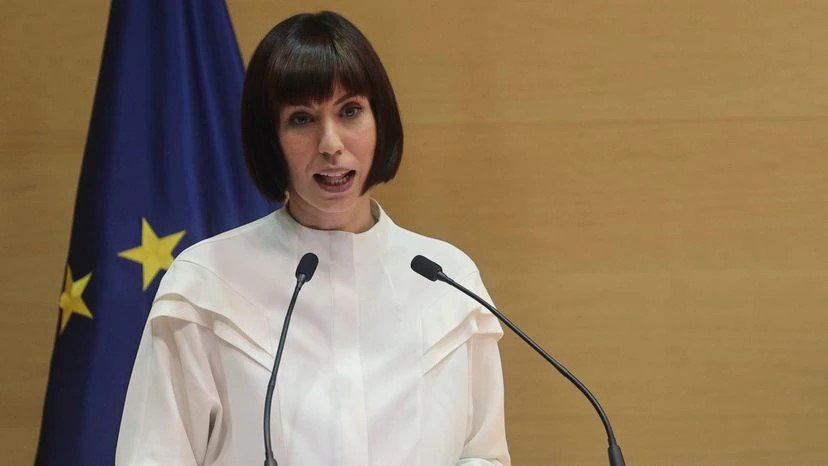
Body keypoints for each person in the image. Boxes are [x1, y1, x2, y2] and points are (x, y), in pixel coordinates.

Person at [116, 11, 510, 466]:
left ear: (380, 121)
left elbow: (483, 454)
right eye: (301, 119)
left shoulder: (447, 281)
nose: (330, 143)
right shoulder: (206, 282)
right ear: (270, 139)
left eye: (350, 111)